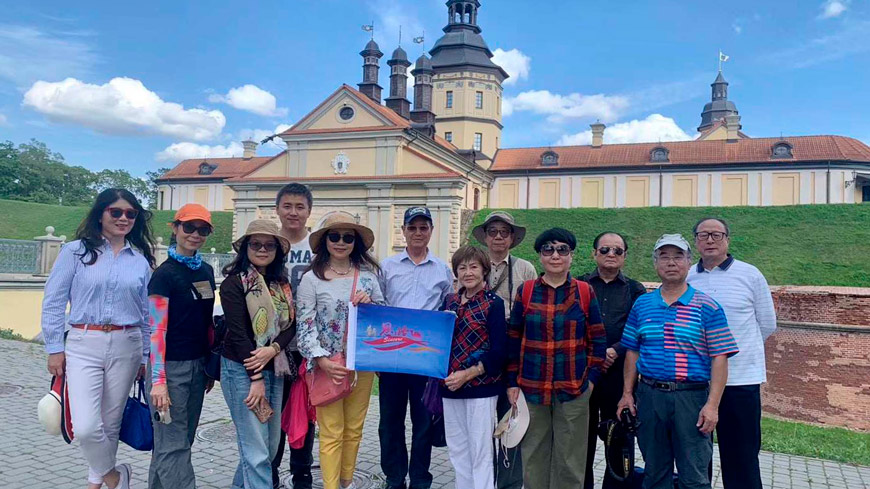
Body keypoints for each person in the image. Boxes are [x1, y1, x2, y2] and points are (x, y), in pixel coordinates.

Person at [41, 188, 156, 489]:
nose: (123, 218)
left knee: (111, 421)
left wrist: (145, 356)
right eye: (115, 212)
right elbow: (54, 301)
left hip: (127, 343)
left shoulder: (140, 260)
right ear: (101, 214)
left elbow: (146, 314)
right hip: (83, 342)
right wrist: (54, 348)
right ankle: (115, 477)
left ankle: (96, 483)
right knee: (86, 426)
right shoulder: (75, 252)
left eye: (130, 213)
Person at [617, 234, 739, 489]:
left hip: (691, 398)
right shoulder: (642, 305)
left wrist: (712, 406)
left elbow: (720, 357)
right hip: (650, 396)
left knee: (694, 475)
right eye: (664, 257)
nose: (671, 262)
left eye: (678, 256)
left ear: (689, 262)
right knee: (654, 473)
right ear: (655, 263)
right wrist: (627, 394)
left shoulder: (707, 307)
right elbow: (632, 351)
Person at [506, 228, 607, 489]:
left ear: (571, 256)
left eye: (562, 250)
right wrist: (512, 382)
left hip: (573, 390)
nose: (555, 255)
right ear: (540, 256)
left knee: (571, 463)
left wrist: (591, 381)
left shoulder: (584, 292)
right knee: (533, 459)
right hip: (532, 388)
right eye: (548, 250)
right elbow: (514, 339)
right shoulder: (527, 291)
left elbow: (598, 340)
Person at [296, 212, 385, 489]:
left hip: (361, 363)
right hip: (328, 365)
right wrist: (321, 360)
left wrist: (370, 304)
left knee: (354, 429)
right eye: (334, 236)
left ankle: (346, 482)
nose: (341, 242)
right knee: (332, 431)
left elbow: (383, 319)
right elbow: (304, 325)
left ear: (356, 242)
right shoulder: (311, 279)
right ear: (325, 240)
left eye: (348, 237)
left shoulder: (368, 278)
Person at [687, 218, 776, 489]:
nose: (710, 240)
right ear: (695, 241)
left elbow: (767, 323)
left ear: (727, 239)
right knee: (696, 457)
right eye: (703, 235)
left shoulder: (750, 274)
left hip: (741, 381)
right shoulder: (687, 276)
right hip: (697, 381)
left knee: (742, 457)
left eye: (716, 234)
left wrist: (734, 353)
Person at [378, 206, 453, 489]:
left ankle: (420, 478)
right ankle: (394, 477)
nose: (418, 232)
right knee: (390, 422)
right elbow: (378, 306)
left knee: (423, 423)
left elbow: (448, 309)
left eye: (424, 227)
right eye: (412, 227)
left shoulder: (443, 270)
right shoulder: (387, 267)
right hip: (392, 357)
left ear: (431, 231)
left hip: (425, 359)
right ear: (404, 231)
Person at [220, 220, 297, 489]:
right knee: (256, 451)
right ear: (246, 248)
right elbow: (239, 335)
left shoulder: (280, 284)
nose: (262, 249)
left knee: (269, 446)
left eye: (269, 245)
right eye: (256, 244)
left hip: (274, 366)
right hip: (242, 370)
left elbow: (291, 325)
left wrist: (273, 349)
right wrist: (256, 378)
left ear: (277, 250)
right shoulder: (233, 284)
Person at [146, 203, 217, 489]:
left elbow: (206, 322)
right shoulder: (164, 275)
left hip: (197, 366)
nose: (195, 234)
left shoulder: (206, 271)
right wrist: (158, 380)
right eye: (189, 227)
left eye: (202, 229)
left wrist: (207, 367)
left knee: (177, 441)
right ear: (175, 228)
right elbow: (156, 329)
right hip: (169, 368)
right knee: (173, 443)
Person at [471, 210, 536, 489]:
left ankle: (509, 483)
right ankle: (484, 480)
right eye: (493, 231)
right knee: (481, 423)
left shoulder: (525, 269)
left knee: (512, 420)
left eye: (504, 232)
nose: (498, 236)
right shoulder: (473, 266)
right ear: (485, 237)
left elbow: (533, 312)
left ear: (512, 238)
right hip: (480, 351)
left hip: (513, 351)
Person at [579, 232, 646, 489]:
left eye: (617, 250)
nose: (611, 254)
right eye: (605, 249)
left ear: (625, 256)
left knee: (619, 438)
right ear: (594, 253)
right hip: (584, 372)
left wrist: (614, 351)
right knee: (580, 439)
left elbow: (638, 328)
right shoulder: (579, 285)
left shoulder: (635, 289)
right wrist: (595, 354)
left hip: (620, 374)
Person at [439, 245, 507, 489]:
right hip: (450, 387)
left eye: (474, 267)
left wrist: (467, 374)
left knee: (480, 451)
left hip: (481, 387)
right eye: (462, 267)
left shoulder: (493, 303)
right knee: (458, 449)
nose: (468, 272)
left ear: (484, 270)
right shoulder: (449, 302)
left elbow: (499, 351)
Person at [272, 183, 317, 489]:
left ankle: (301, 474)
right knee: (273, 413)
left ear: (309, 211)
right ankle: (270, 474)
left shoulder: (318, 248)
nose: (293, 212)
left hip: (306, 346)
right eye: (287, 206)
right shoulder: (267, 244)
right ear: (277, 209)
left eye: (300, 207)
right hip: (273, 347)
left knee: (305, 412)